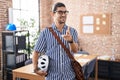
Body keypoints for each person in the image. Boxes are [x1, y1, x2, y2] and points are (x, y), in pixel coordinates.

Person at [32, 2, 79, 80]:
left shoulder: (72, 31)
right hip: (52, 77)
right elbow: (36, 52)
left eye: (65, 12)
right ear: (53, 14)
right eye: (60, 12)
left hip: (69, 76)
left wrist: (71, 41)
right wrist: (36, 69)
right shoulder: (45, 32)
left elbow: (75, 50)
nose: (63, 14)